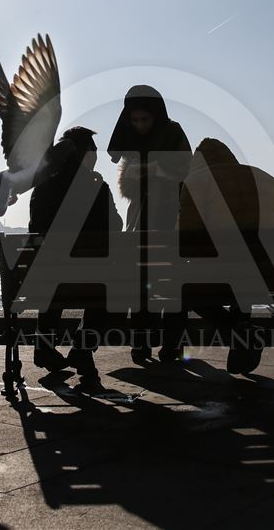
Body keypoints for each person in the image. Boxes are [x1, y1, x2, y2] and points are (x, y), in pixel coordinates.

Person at [178, 137, 274, 374]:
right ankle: (242, 341)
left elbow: (185, 238)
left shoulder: (196, 182)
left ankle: (239, 332)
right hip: (264, 271)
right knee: (245, 273)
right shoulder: (268, 180)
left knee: (181, 289)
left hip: (217, 272)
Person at [28, 127, 123, 385]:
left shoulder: (43, 186)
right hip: (92, 279)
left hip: (47, 279)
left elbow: (34, 230)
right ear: (85, 155)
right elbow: (116, 227)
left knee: (51, 272)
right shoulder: (96, 186)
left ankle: (45, 347)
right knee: (104, 285)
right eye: (93, 151)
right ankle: (82, 349)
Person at [107, 85, 192, 363]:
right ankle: (142, 344)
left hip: (171, 219)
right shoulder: (131, 142)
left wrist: (156, 171)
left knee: (171, 284)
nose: (140, 126)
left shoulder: (173, 132)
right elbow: (128, 186)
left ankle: (171, 345)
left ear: (156, 117)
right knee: (142, 285)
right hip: (141, 221)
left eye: (145, 120)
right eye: (135, 121)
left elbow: (186, 172)